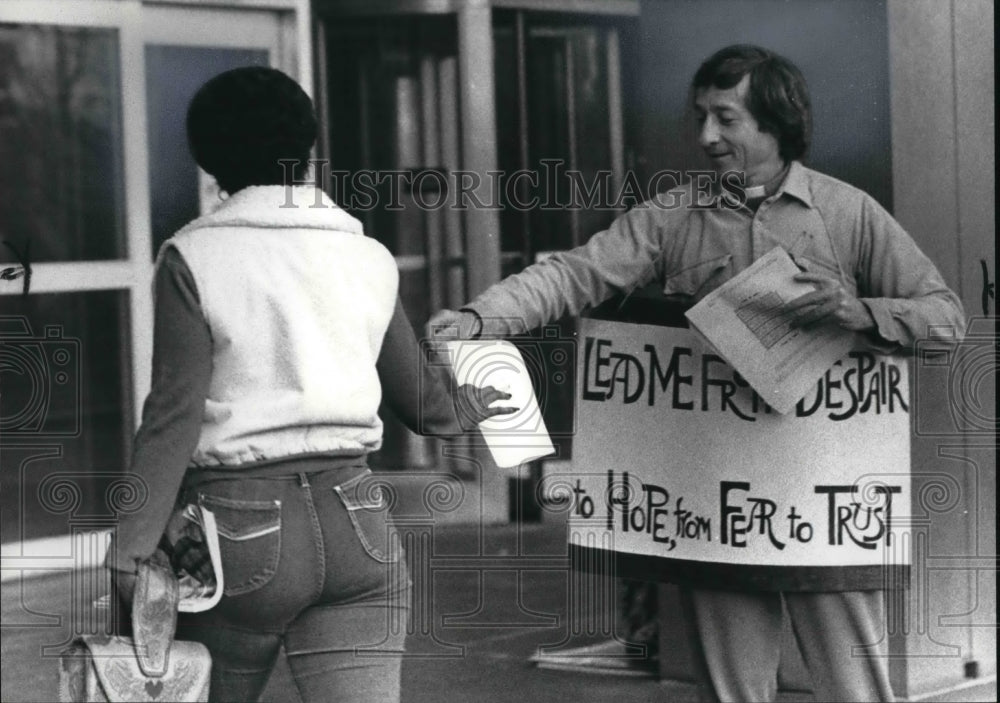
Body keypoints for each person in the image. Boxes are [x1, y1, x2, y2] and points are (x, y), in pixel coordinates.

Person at [429, 45, 965, 702]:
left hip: (824, 504)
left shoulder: (848, 214)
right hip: (717, 504)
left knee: (857, 691)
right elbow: (574, 274)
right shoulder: (671, 217)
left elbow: (945, 319)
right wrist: (482, 317)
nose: (706, 135)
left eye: (727, 118)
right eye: (701, 116)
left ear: (775, 123)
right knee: (731, 692)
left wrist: (862, 311)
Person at [106, 66, 513, 703]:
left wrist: (130, 547)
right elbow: (425, 407)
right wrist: (477, 402)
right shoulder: (365, 255)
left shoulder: (193, 257)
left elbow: (172, 416)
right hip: (360, 524)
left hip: (237, 536)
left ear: (206, 158)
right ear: (309, 149)